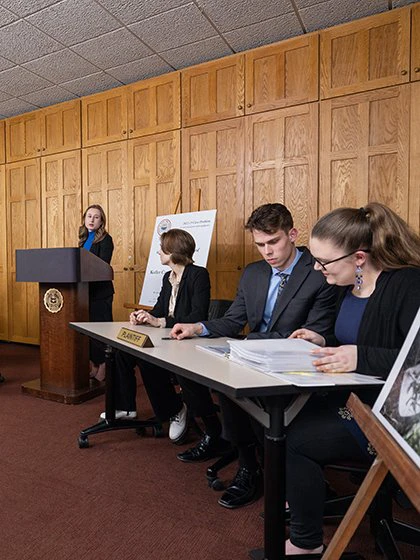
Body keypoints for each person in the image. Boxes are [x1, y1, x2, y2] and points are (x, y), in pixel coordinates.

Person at [170, 203, 338, 508]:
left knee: (236, 381)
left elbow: (313, 332)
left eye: (273, 242)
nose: (267, 252)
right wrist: (198, 326)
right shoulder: (253, 273)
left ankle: (277, 471)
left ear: (292, 234)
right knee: (221, 379)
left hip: (295, 363)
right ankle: (249, 465)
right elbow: (234, 320)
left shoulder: (317, 271)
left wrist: (247, 343)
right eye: (260, 245)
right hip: (254, 355)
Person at [284, 202, 420, 556]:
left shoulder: (407, 284)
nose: (316, 268)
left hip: (396, 417)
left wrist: (361, 356)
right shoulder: (350, 284)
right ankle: (301, 499)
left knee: (294, 439)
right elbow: (352, 337)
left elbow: (412, 361)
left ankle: (305, 542)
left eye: (323, 262)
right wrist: (323, 340)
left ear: (359, 257)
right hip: (355, 400)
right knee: (277, 415)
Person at [101, 228, 222, 445]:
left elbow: (197, 315)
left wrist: (160, 322)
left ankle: (176, 409)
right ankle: (125, 407)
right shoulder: (168, 277)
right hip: (169, 338)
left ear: (173, 251)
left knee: (148, 360)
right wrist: (144, 316)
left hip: (189, 340)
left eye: (161, 248)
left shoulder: (198, 275)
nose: (158, 252)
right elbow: (159, 309)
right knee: (121, 352)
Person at [79, 204, 114, 382]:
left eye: (96, 217)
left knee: (101, 331)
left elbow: (102, 265)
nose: (91, 220)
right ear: (84, 219)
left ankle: (105, 366)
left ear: (102, 221)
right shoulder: (83, 239)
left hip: (101, 293)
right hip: (85, 293)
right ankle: (94, 363)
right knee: (89, 331)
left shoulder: (106, 240)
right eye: (89, 216)